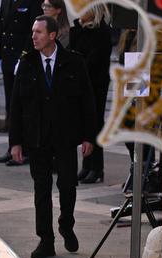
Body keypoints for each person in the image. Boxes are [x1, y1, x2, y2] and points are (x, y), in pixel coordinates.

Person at [8, 15, 96, 258]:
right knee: (42, 190)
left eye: (39, 32)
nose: (33, 36)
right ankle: (45, 240)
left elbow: (87, 102)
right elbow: (16, 105)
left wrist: (89, 137)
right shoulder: (27, 63)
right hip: (37, 139)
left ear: (52, 35)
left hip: (65, 137)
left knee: (67, 185)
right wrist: (15, 142)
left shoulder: (74, 62)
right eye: (33, 31)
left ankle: (66, 225)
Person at [0, 0, 42, 165]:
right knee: (11, 106)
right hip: (7, 58)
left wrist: (24, 56)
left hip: (22, 59)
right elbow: (1, 27)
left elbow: (33, 32)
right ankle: (12, 146)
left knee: (24, 107)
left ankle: (25, 150)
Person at [69, 4, 112, 184]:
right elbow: (72, 53)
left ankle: (97, 167)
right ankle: (87, 165)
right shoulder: (77, 29)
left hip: (95, 83)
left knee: (96, 123)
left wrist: (79, 70)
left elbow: (95, 59)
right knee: (85, 123)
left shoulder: (102, 32)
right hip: (80, 82)